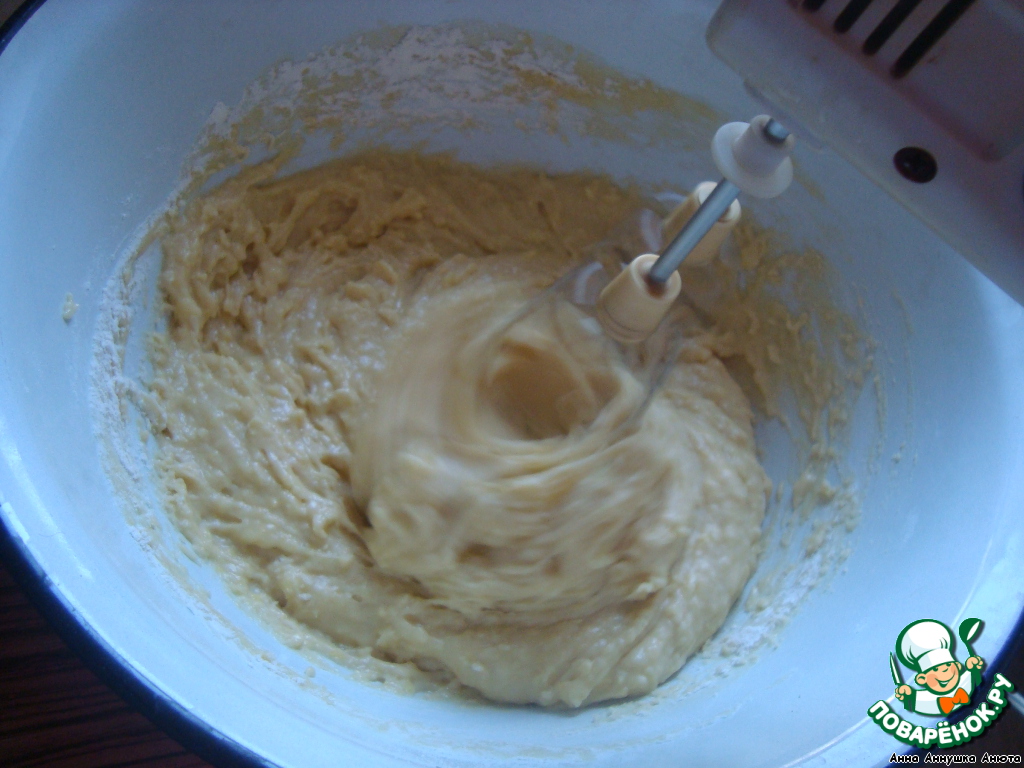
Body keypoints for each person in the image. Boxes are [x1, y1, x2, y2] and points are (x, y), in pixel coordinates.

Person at [894, 619, 984, 716]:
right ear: (922, 679)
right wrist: (908, 695)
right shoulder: (928, 700)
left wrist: (973, 667)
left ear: (958, 666)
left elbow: (974, 677)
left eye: (948, 665)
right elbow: (914, 701)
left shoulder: (966, 681)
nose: (944, 672)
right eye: (935, 669)